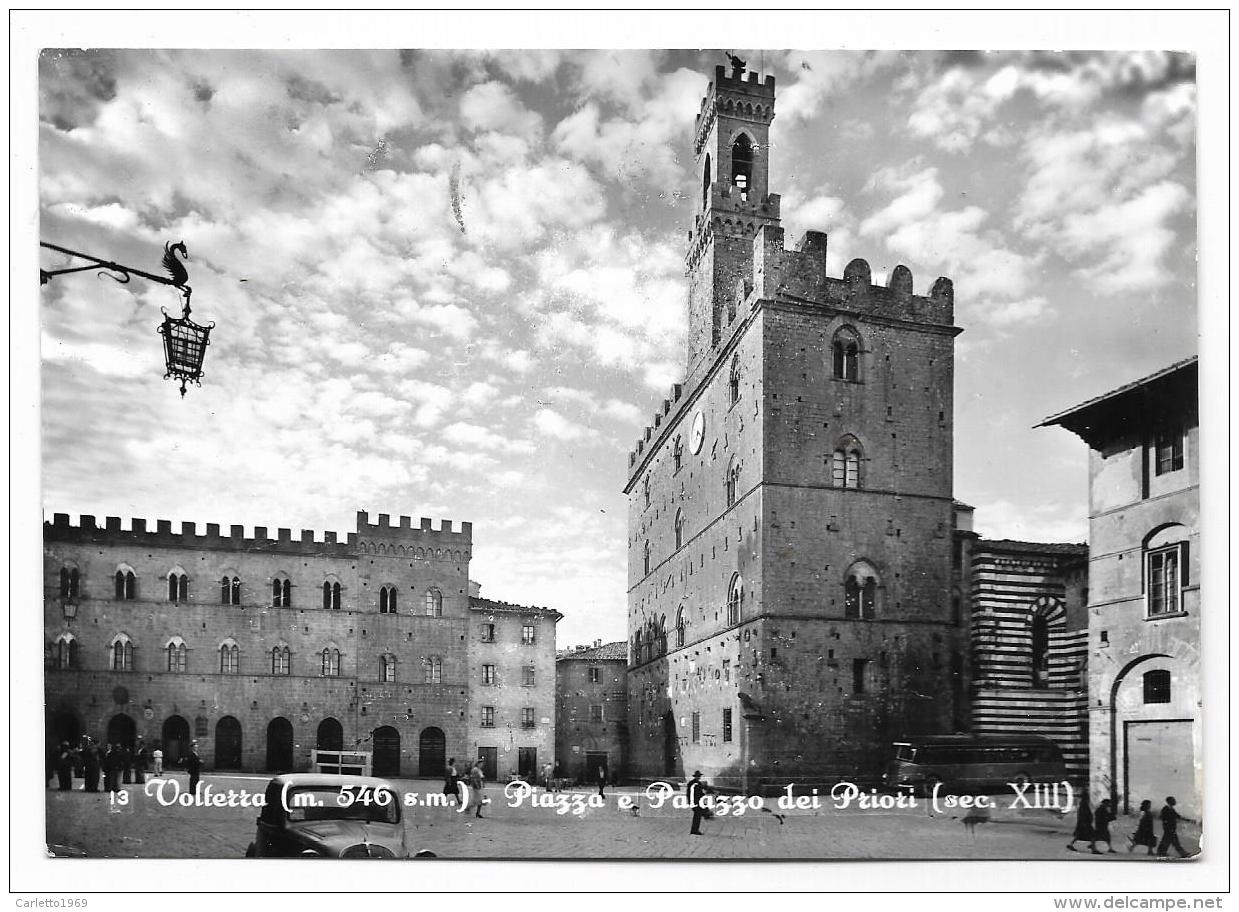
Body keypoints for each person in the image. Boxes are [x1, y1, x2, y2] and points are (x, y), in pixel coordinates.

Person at [688, 770, 707, 836]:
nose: (699, 777)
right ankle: (694, 830)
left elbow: (689, 793)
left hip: (694, 801)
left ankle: (694, 829)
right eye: (698, 776)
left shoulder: (692, 783)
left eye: (699, 776)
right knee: (697, 816)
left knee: (697, 815)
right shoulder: (696, 784)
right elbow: (699, 793)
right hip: (696, 802)